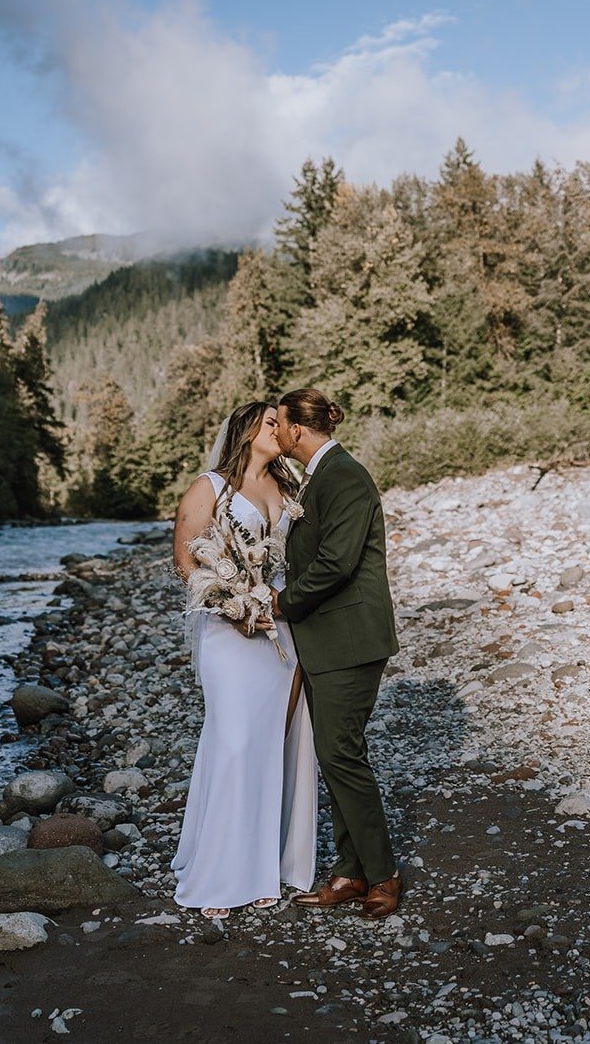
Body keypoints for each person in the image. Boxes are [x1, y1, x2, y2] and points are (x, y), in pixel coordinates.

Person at [169, 401, 318, 919]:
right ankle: (220, 872)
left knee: (277, 742)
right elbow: (186, 559)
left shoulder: (290, 488)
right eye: (272, 421)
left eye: (284, 422)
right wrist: (229, 605)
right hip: (230, 633)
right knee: (234, 742)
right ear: (247, 430)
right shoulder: (210, 487)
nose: (282, 429)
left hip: (283, 627)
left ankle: (268, 866)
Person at [271, 388, 403, 919]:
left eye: (279, 424)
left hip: (350, 639)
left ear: (297, 431)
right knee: (335, 754)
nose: (275, 433)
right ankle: (351, 872)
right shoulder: (320, 475)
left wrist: (282, 602)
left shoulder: (344, 476)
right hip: (328, 640)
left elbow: (336, 562)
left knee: (340, 754)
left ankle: (384, 872)